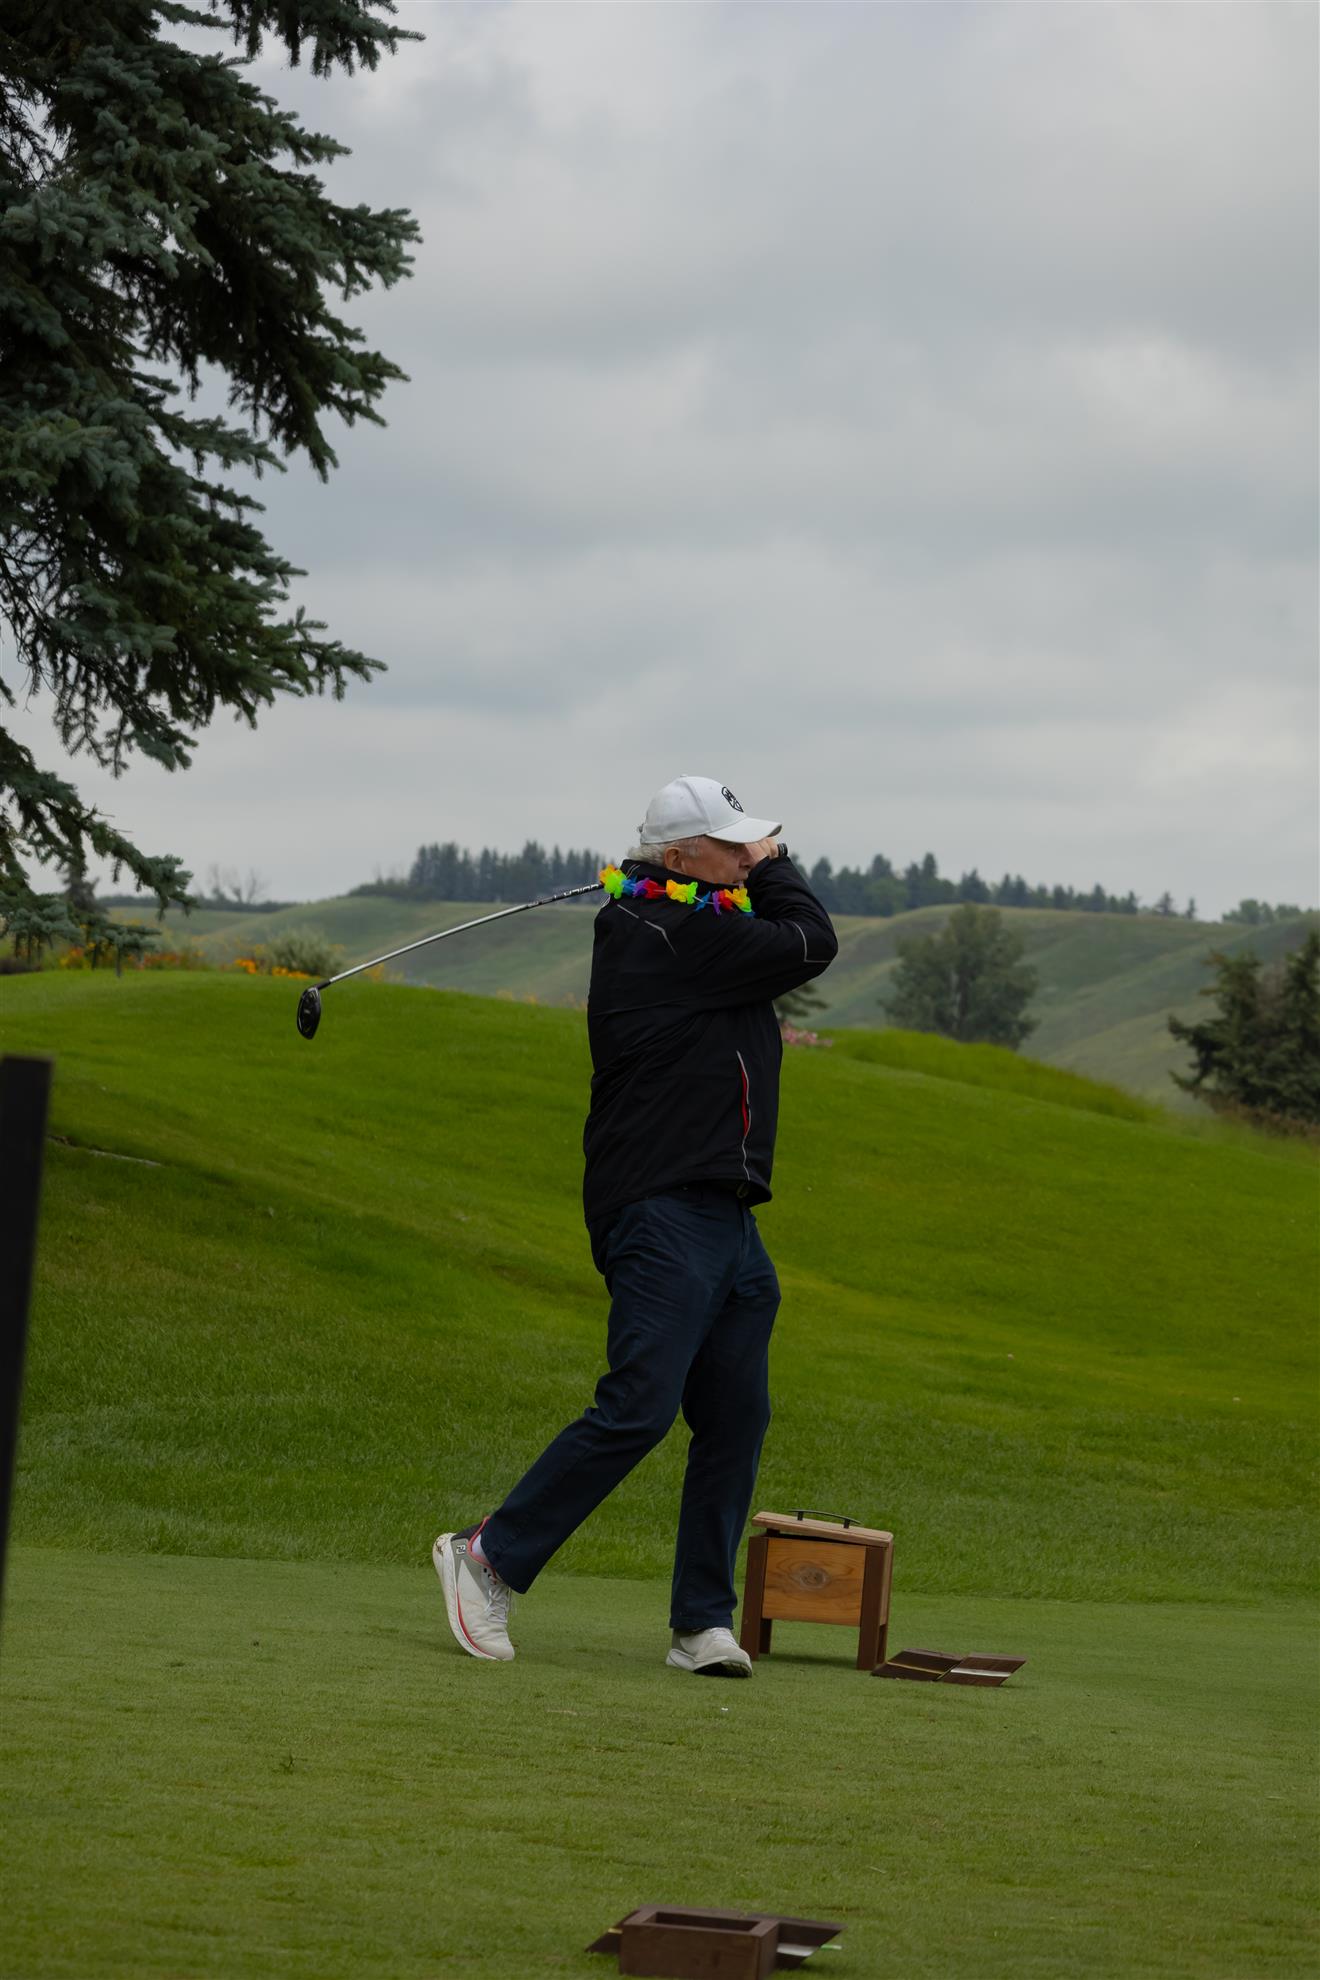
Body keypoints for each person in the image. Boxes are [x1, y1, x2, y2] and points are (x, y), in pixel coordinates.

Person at [433, 775, 838, 1674]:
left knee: (735, 1416)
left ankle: (701, 1622)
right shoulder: (658, 929)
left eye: (752, 843)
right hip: (658, 1205)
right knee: (640, 1405)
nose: (748, 856)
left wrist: (751, 873)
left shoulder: (699, 921)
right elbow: (811, 941)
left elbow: (782, 945)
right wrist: (778, 866)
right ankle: (487, 1556)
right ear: (681, 856)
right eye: (732, 845)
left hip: (725, 1214)